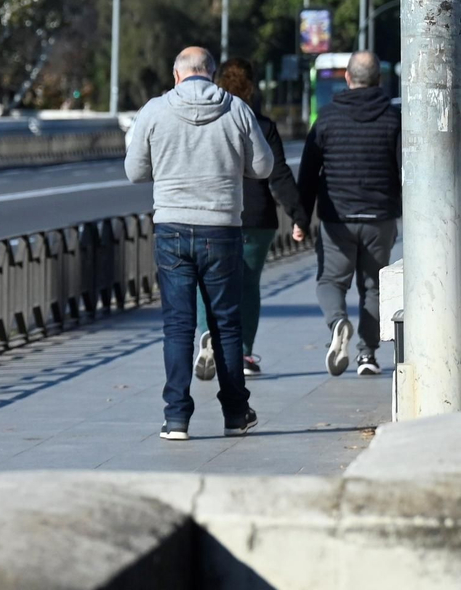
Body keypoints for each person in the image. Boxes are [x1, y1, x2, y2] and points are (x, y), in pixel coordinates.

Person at [125, 46, 273, 441]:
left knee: (178, 327)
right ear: (210, 73)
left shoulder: (155, 110)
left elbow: (134, 171)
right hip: (222, 227)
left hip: (172, 227)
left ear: (177, 76)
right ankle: (236, 414)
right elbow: (263, 166)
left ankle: (176, 418)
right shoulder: (236, 110)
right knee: (226, 324)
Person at [192, 59, 309, 380]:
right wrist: (298, 215)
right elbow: (279, 174)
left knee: (208, 282)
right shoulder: (263, 125)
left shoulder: (207, 122)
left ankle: (208, 336)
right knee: (247, 286)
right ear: (252, 87)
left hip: (213, 214)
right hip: (257, 218)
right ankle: (243, 352)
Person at [294, 50, 401, 377]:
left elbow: (309, 173)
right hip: (379, 218)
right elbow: (404, 168)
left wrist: (301, 219)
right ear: (379, 80)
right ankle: (367, 356)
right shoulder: (392, 118)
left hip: (337, 218)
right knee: (374, 287)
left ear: (347, 78)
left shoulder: (326, 117)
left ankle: (338, 321)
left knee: (330, 280)